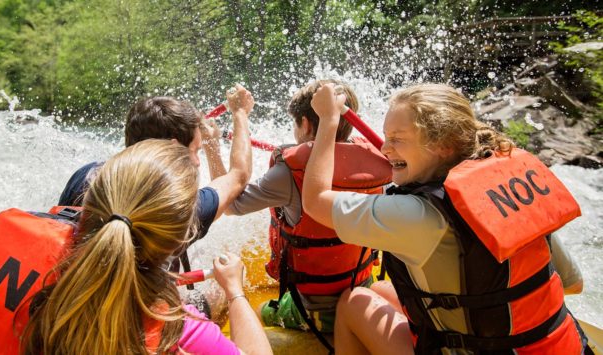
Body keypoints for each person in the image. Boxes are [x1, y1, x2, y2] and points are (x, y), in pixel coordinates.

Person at [301, 83, 588, 354]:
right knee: (378, 289)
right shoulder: (511, 192)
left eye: (397, 139)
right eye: (386, 137)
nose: (385, 149)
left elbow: (315, 201)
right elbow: (573, 284)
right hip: (561, 346)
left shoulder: (417, 215)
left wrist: (328, 121)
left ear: (445, 145)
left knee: (353, 301)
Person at [20, 139, 272, 355]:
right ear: (182, 237)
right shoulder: (177, 327)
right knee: (217, 293)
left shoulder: (24, 262)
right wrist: (234, 292)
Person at [226, 80, 391, 348]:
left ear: (304, 124)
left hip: (315, 307)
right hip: (362, 285)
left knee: (257, 312)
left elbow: (231, 205)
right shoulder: (378, 161)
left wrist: (216, 139)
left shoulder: (288, 173)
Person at [59, 85, 253, 244]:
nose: (196, 162)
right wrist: (240, 113)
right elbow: (238, 175)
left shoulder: (86, 175)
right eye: (194, 151)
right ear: (172, 149)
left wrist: (207, 143)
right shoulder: (178, 204)